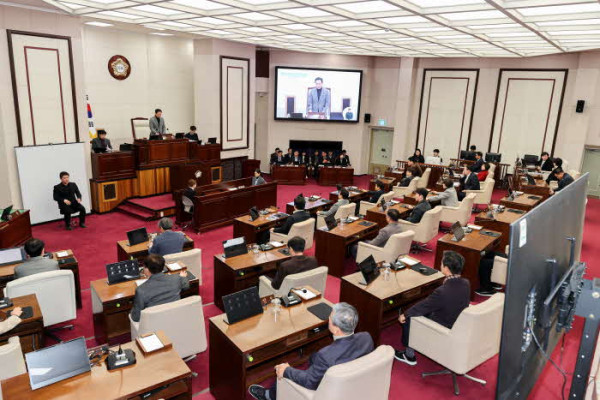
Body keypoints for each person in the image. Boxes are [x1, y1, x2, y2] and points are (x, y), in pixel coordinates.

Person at [249, 303, 374, 400]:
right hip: (354, 383)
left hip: (326, 391)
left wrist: (287, 370)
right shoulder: (366, 338)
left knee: (283, 371)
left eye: (330, 318)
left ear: (336, 330)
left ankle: (269, 396)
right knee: (314, 357)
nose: (328, 319)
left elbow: (309, 382)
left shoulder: (325, 356)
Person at [395, 251, 470, 366]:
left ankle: (409, 355)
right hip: (456, 321)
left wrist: (404, 314)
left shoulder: (442, 291)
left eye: (442, 263)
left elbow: (423, 306)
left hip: (443, 325)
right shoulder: (466, 283)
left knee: (409, 317)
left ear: (446, 268)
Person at [130, 254, 190, 322]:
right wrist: (183, 277)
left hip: (155, 323)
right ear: (163, 267)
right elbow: (186, 286)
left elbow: (136, 317)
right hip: (175, 318)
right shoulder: (176, 278)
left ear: (147, 269)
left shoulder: (141, 290)